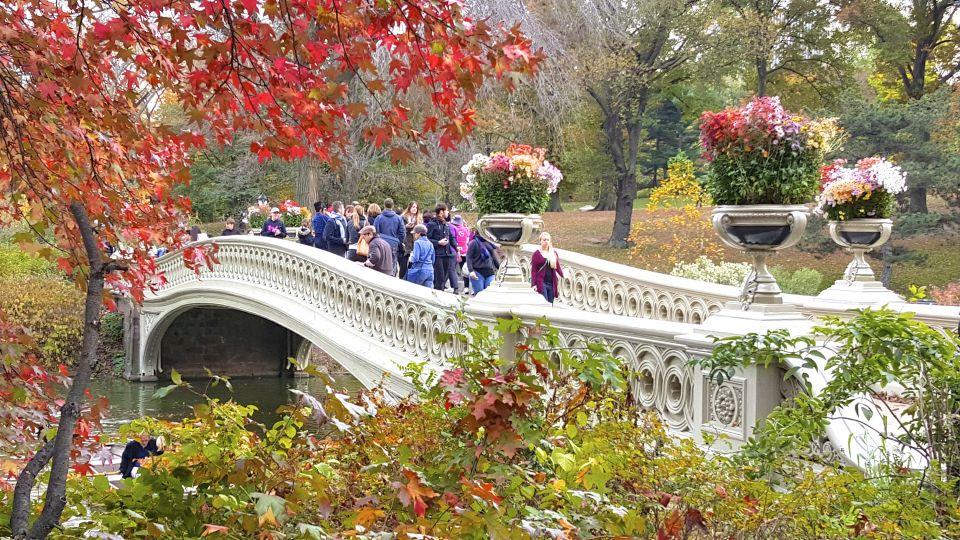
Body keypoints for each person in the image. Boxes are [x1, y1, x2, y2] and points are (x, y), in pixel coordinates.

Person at [426, 203, 459, 293]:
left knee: (444, 278)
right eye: (446, 210)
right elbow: (426, 238)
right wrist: (438, 242)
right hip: (437, 255)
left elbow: (451, 237)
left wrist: (456, 247)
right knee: (439, 278)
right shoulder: (432, 224)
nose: (448, 212)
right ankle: (437, 295)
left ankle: (440, 293)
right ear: (441, 212)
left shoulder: (446, 225)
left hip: (447, 254)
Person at [373, 198, 405, 274]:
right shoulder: (398, 218)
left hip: (380, 243)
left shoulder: (379, 218)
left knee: (379, 265)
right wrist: (397, 241)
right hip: (393, 245)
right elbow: (402, 233)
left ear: (384, 205)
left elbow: (375, 231)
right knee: (392, 266)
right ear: (393, 206)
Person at [530, 231, 563, 304]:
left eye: (548, 240)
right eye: (544, 240)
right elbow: (534, 271)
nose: (546, 241)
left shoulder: (553, 253)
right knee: (544, 303)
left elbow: (557, 267)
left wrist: (563, 275)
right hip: (541, 282)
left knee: (550, 303)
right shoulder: (536, 254)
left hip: (551, 283)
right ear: (540, 241)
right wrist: (533, 285)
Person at [466, 229, 500, 294]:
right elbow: (468, 257)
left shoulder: (489, 243)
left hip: (490, 272)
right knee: (479, 294)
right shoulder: (473, 243)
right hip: (477, 272)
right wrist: (471, 271)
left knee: (490, 293)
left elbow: (493, 258)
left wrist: (500, 268)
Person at [399, 201, 422, 278]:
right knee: (404, 261)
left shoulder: (418, 218)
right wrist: (406, 226)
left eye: (416, 207)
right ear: (409, 208)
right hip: (405, 241)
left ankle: (409, 278)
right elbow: (400, 229)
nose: (415, 209)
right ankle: (402, 278)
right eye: (413, 207)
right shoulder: (403, 217)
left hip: (415, 242)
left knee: (412, 262)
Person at [449, 215, 470, 292]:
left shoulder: (453, 229)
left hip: (455, 251)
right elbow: (467, 241)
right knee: (465, 270)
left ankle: (453, 286)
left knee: (452, 269)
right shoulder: (466, 230)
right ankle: (466, 287)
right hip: (464, 251)